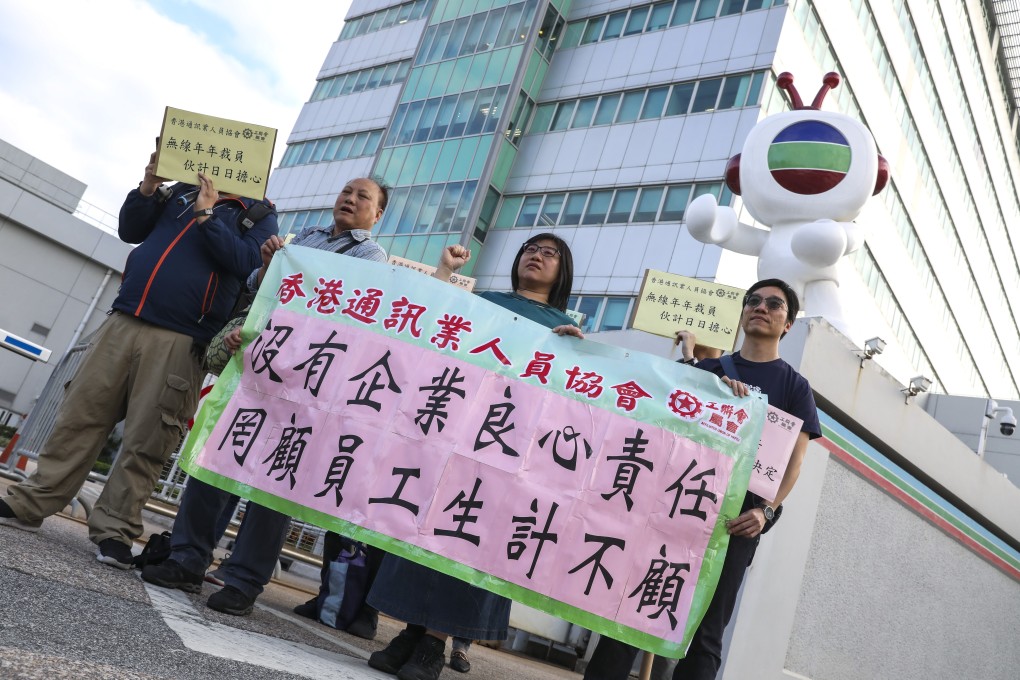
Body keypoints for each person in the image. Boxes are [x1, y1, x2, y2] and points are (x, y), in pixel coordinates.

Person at [0, 151, 278, 570]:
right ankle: (31, 502)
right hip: (124, 318)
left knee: (149, 438)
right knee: (81, 414)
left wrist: (207, 215)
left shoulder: (258, 215)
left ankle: (115, 530)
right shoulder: (180, 191)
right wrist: (148, 186)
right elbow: (131, 229)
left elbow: (243, 263)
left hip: (183, 338)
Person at [141, 178, 389, 617]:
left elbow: (353, 314)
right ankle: (187, 559)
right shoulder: (306, 237)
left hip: (307, 379)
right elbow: (259, 284)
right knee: (216, 457)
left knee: (274, 478)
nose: (349, 198)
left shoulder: (370, 256)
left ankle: (243, 581)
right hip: (256, 362)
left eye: (362, 197)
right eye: (345, 191)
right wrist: (268, 262)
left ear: (378, 215)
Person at [367, 234, 584, 680]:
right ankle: (412, 631)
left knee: (465, 536)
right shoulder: (482, 301)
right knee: (426, 526)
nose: (537, 255)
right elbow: (432, 319)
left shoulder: (567, 329)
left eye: (550, 253)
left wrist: (573, 351)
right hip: (454, 432)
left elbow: (568, 400)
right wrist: (445, 271)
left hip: (504, 450)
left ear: (563, 273)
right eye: (530, 248)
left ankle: (434, 641)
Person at [583, 278, 821, 680]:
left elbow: (794, 462)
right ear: (743, 313)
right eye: (754, 301)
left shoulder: (795, 387)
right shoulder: (708, 371)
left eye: (774, 305)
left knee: (708, 633)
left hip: (738, 524)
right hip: (677, 506)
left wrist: (766, 512)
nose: (761, 307)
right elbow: (658, 420)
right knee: (634, 608)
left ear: (788, 325)